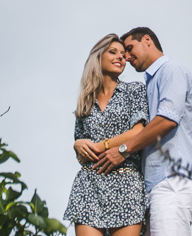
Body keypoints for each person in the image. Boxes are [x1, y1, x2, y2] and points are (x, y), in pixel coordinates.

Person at [93, 27, 192, 236]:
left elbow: (167, 120)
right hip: (155, 188)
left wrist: (123, 150)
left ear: (147, 40)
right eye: (124, 53)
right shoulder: (150, 83)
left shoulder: (171, 70)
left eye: (130, 48)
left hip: (172, 181)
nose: (127, 57)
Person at [64, 34, 149, 236]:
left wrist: (101, 146)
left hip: (127, 185)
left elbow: (138, 132)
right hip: (89, 186)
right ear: (98, 57)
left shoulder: (134, 90)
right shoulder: (85, 101)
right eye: (113, 52)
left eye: (123, 54)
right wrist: (77, 145)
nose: (121, 57)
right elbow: (81, 153)